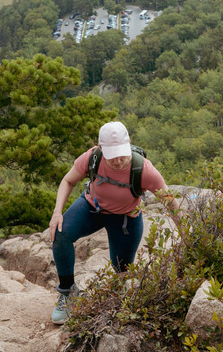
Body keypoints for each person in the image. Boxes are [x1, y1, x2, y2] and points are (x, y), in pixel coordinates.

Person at [48, 121, 179, 325]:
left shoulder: (143, 170)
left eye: (122, 154)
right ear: (101, 149)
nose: (118, 161)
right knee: (60, 233)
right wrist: (57, 212)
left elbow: (170, 202)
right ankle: (67, 293)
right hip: (93, 208)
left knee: (122, 271)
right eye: (112, 155)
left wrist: (188, 234)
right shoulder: (93, 157)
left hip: (125, 219)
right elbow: (68, 180)